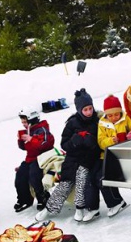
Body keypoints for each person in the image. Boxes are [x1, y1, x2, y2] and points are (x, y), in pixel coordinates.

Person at [35, 88, 100, 222]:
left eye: (90, 108)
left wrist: (91, 141)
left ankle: (79, 208)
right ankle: (49, 209)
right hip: (72, 159)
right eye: (85, 109)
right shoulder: (72, 123)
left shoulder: (97, 121)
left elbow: (99, 144)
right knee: (65, 184)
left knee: (82, 179)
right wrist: (74, 141)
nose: (88, 112)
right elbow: (64, 144)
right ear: (79, 110)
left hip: (87, 160)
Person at [87, 94, 131, 218]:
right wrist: (111, 141)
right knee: (95, 177)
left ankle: (116, 202)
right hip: (106, 155)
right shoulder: (102, 123)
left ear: (120, 112)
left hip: (123, 155)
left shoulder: (126, 119)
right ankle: (104, 205)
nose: (114, 118)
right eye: (110, 115)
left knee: (104, 177)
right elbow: (101, 141)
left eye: (116, 114)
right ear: (106, 115)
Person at [14, 107, 55, 212]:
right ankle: (25, 199)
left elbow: (46, 143)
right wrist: (21, 140)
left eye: (25, 122)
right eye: (22, 122)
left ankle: (43, 197)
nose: (23, 124)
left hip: (42, 158)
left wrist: (31, 139)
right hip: (30, 158)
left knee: (34, 175)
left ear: (31, 120)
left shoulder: (43, 129)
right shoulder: (28, 131)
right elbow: (25, 147)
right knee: (20, 175)